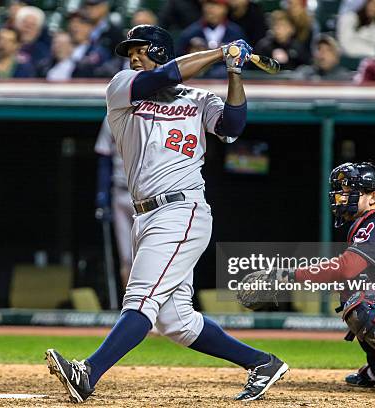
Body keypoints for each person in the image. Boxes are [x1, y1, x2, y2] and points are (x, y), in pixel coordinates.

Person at [45, 24, 288, 403]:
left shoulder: (198, 98)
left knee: (140, 299)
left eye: (140, 50)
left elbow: (233, 126)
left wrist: (234, 71)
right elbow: (166, 75)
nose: (133, 58)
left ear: (159, 49)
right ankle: (263, 363)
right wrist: (220, 52)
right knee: (177, 322)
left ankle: (88, 373)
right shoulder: (124, 87)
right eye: (130, 53)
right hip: (144, 215)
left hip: (182, 209)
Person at [238, 162, 375, 393]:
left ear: (373, 197)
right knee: (353, 291)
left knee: (360, 301)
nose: (341, 197)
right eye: (340, 190)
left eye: (349, 191)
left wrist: (287, 275)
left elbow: (346, 267)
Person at [94, 116, 134, 288]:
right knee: (126, 258)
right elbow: (104, 158)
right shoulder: (112, 117)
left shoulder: (152, 114)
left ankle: (155, 311)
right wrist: (102, 194)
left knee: (150, 258)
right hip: (120, 192)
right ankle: (132, 310)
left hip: (146, 194)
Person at [177, 0, 246, 56]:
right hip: (198, 71)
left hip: (225, 71)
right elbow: (178, 60)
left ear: (225, 9)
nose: (210, 9)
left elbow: (246, 61)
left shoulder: (235, 32)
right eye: (207, 5)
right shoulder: (191, 32)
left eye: (216, 5)